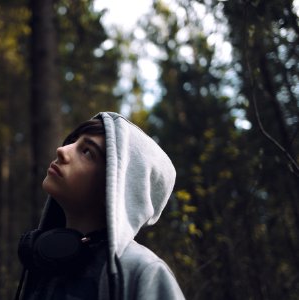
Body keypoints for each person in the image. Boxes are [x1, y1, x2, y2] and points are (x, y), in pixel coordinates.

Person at [15, 112, 185, 300]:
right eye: (72, 141)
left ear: (117, 184)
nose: (62, 150)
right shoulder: (46, 259)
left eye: (87, 151)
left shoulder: (143, 271)